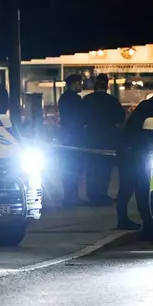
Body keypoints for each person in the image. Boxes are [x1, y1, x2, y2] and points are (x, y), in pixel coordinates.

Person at [116, 75, 153, 235]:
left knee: (133, 187)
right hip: (137, 151)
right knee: (138, 187)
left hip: (136, 150)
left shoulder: (152, 105)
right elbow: (137, 129)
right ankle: (142, 223)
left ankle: (132, 221)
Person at [82, 73, 126, 206]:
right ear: (106, 86)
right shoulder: (112, 100)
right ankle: (101, 195)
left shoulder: (87, 100)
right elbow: (120, 117)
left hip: (90, 139)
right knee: (105, 169)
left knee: (91, 168)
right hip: (107, 140)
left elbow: (80, 117)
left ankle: (92, 195)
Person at [57, 74, 85, 207]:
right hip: (74, 137)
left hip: (66, 136)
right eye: (80, 82)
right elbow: (80, 118)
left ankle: (70, 197)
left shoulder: (63, 98)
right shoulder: (75, 99)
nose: (81, 85)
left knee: (68, 167)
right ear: (74, 83)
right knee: (74, 167)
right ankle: (72, 198)